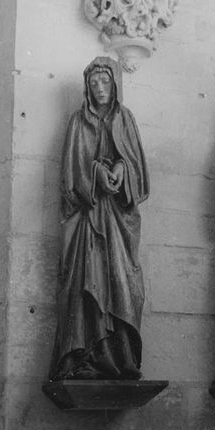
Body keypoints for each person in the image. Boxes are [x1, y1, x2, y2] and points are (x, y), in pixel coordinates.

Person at [48, 57, 149, 380]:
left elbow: (139, 171)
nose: (100, 88)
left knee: (121, 280)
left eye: (105, 81)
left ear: (115, 84)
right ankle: (87, 357)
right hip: (87, 220)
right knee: (86, 283)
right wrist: (95, 174)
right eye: (94, 83)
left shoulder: (126, 119)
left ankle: (121, 357)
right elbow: (69, 175)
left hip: (118, 220)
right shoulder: (78, 122)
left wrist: (121, 168)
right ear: (87, 88)